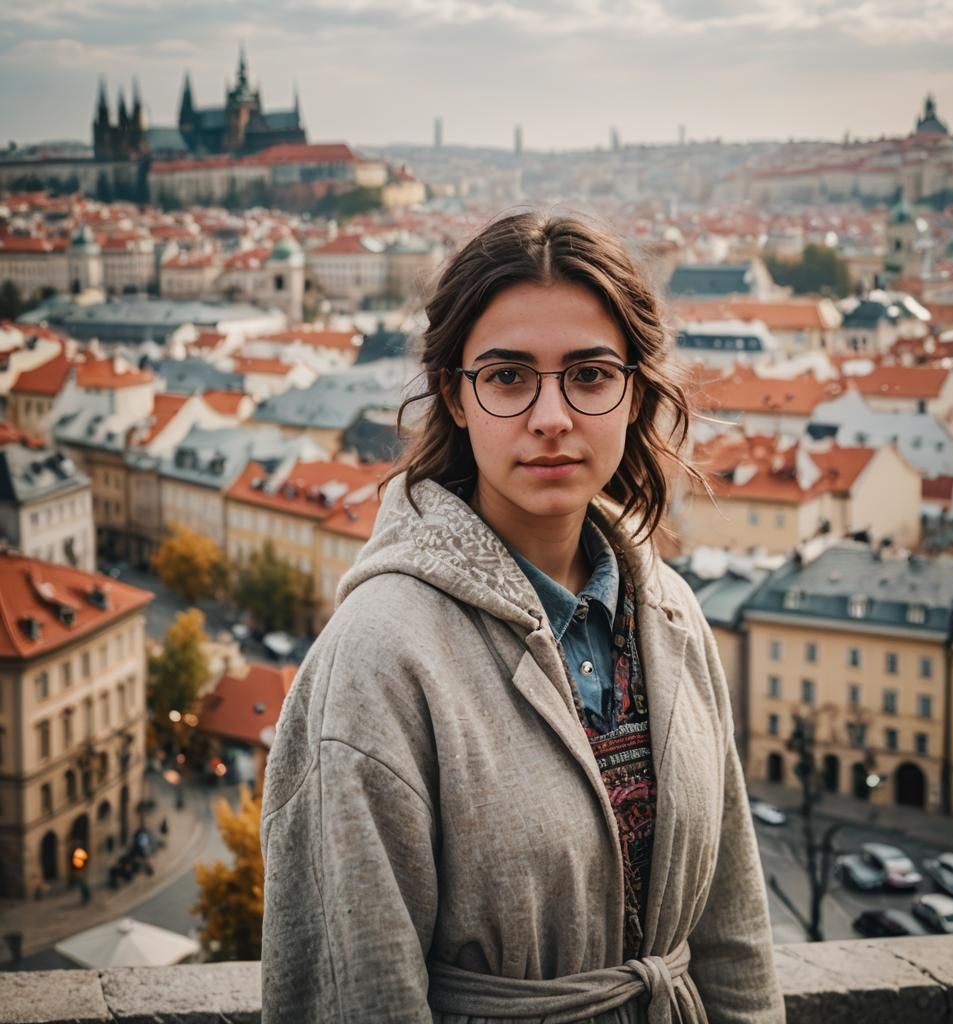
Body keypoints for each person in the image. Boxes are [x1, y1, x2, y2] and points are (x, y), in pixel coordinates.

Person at [260, 212, 785, 1023]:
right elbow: (356, 988)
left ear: (633, 392)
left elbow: (734, 936)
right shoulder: (380, 655)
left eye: (589, 374)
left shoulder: (673, 614)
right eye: (508, 377)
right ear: (454, 396)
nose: (551, 417)